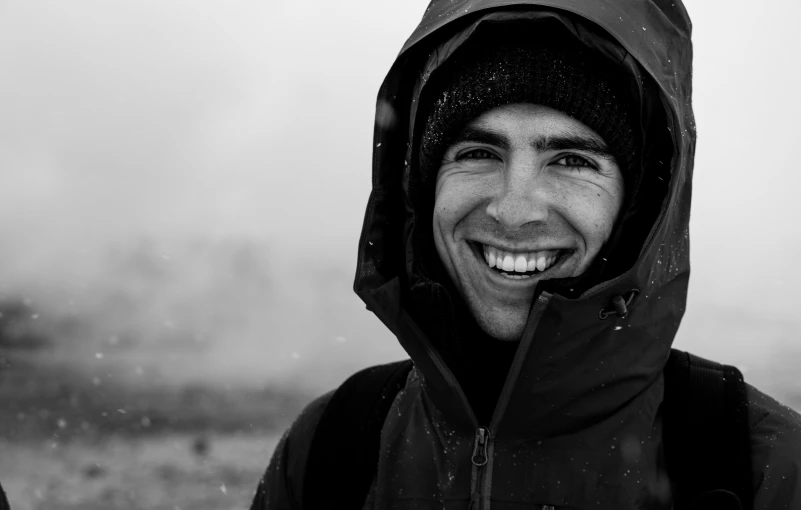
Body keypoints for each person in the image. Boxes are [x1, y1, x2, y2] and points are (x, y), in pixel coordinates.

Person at [251, 1, 801, 508]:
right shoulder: (333, 450)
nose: (513, 211)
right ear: (422, 188)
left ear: (641, 207)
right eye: (479, 152)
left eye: (571, 161)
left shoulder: (763, 469)